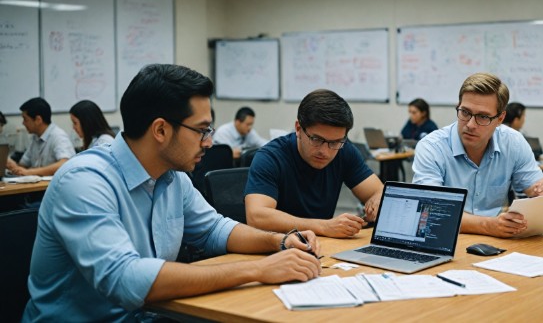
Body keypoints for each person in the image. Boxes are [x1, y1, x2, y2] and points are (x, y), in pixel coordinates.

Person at [23, 64, 321, 321]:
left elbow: (214, 229)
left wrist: (280, 242)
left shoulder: (172, 177)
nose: (208, 141)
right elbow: (125, 279)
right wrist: (258, 269)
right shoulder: (84, 182)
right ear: (161, 130)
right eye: (202, 130)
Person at [412, 73, 543, 238]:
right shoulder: (432, 147)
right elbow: (431, 212)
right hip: (444, 237)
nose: (471, 125)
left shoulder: (513, 142)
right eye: (465, 112)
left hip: (496, 240)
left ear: (500, 118)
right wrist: (488, 226)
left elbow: (540, 190)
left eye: (483, 117)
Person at [245, 89, 384, 238]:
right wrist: (323, 226)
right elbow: (256, 217)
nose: (325, 151)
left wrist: (375, 203)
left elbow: (378, 191)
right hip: (277, 250)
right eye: (316, 139)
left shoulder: (344, 151)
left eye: (335, 142)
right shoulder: (270, 157)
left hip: (324, 246)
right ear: (298, 129)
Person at [6, 97, 76, 176]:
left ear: (38, 120)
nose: (23, 123)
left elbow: (65, 163)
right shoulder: (35, 137)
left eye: (25, 119)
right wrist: (13, 166)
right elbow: (23, 166)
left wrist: (30, 172)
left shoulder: (58, 135)